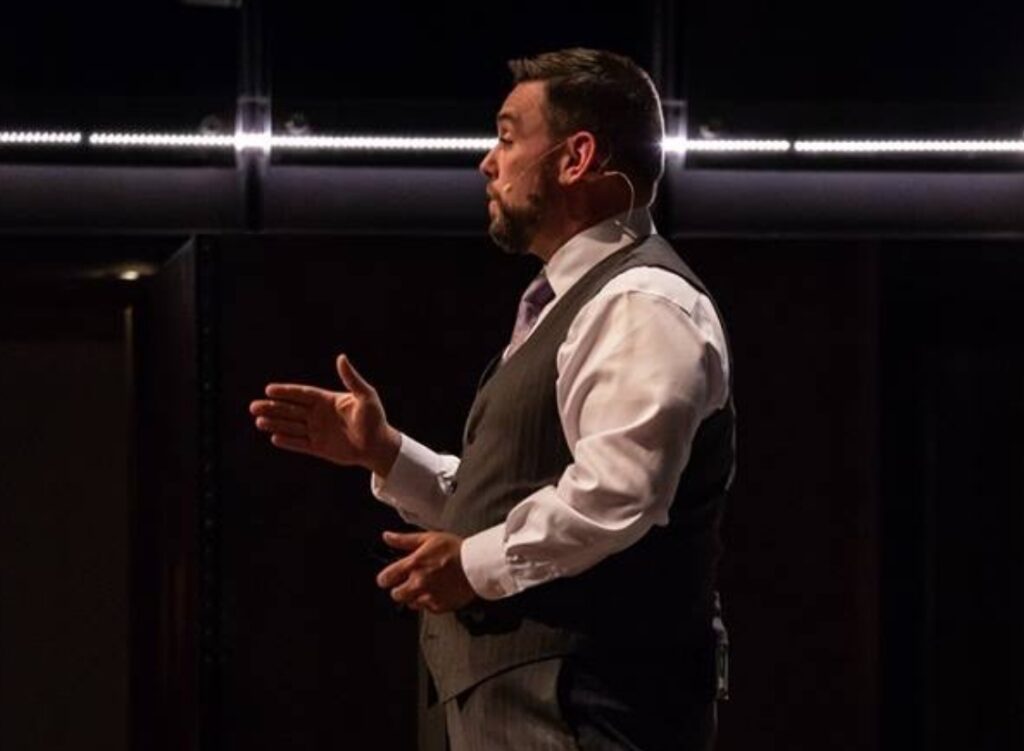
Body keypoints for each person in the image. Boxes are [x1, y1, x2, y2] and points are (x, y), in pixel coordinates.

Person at [249, 48, 735, 751]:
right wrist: (387, 454)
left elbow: (618, 493)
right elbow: (520, 499)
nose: (487, 162)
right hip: (525, 706)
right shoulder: (572, 304)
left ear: (576, 158)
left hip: (580, 707)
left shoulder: (642, 302)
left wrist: (472, 567)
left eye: (507, 138)